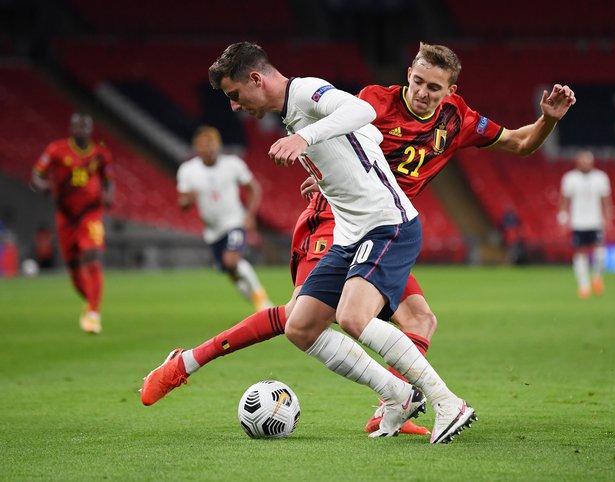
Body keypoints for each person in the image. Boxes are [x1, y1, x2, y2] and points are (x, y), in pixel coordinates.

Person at [141, 42, 576, 439]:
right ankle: (398, 397)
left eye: (434, 87)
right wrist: (329, 178)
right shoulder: (373, 99)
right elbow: (361, 123)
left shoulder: (452, 117)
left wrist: (547, 121)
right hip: (342, 221)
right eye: (418, 82)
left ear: (450, 90)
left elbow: (519, 143)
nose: (424, 93)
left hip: (382, 223)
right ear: (408, 74)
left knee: (398, 318)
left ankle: (431, 402)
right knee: (302, 323)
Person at [32, 113, 113, 334]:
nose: (80, 130)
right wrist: (43, 186)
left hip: (91, 214)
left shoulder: (100, 154)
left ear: (90, 129)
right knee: (75, 270)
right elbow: (37, 174)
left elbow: (108, 181)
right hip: (66, 216)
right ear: (70, 128)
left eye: (84, 126)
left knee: (92, 256)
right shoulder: (56, 151)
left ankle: (94, 314)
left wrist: (108, 195)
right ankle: (90, 303)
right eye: (76, 126)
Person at [177, 126, 272, 311]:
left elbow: (253, 188)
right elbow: (182, 203)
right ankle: (256, 302)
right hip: (212, 231)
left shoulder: (232, 164)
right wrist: (188, 199)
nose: (208, 149)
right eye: (203, 145)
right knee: (230, 270)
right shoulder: (188, 170)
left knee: (231, 261)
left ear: (218, 145)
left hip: (234, 221)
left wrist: (250, 214)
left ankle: (262, 299)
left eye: (211, 144)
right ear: (197, 148)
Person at [557, 150, 612, 298]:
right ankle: (584, 286)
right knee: (580, 253)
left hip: (596, 221)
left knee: (600, 253)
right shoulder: (570, 178)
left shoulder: (601, 177)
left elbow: (606, 199)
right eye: (583, 161)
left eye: (588, 161)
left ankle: (597, 278)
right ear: (577, 162)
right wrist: (562, 215)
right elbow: (565, 199)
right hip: (578, 222)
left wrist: (608, 217)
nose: (586, 164)